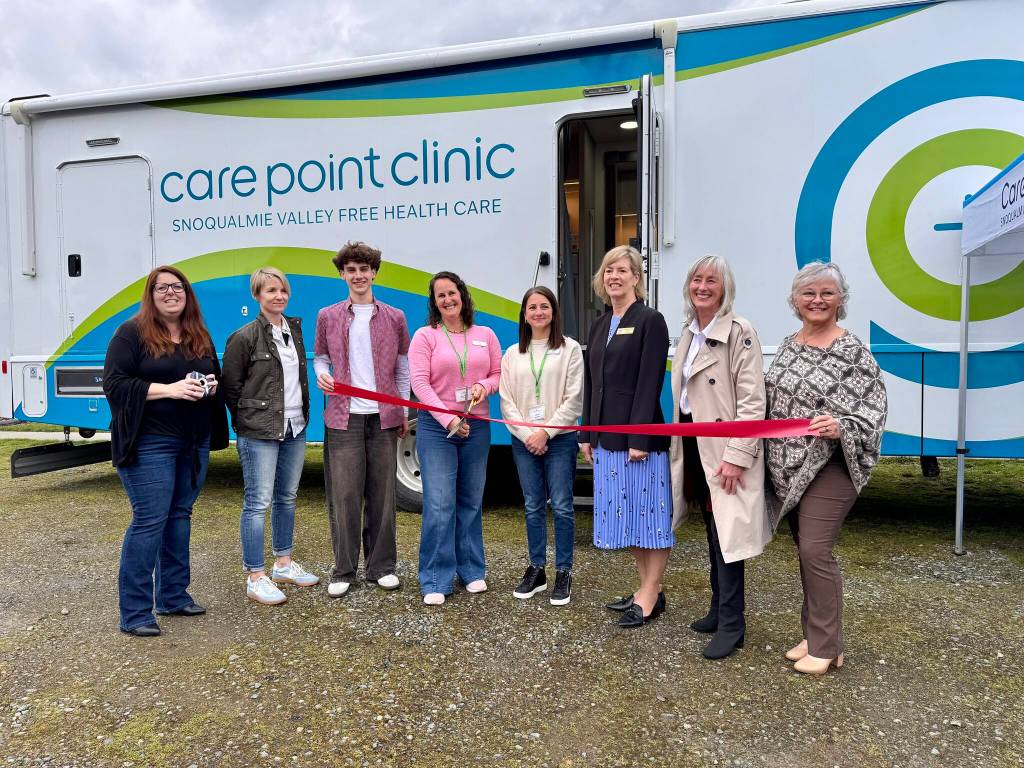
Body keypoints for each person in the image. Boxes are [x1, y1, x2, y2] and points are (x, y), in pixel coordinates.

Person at [765, 261, 887, 675]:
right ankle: (816, 634)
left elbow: (873, 410)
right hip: (789, 467)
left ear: (840, 300)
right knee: (805, 550)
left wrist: (841, 426)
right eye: (809, 293)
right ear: (795, 300)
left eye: (827, 293)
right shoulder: (789, 344)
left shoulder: (852, 350)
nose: (817, 300)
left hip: (832, 464)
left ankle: (827, 646)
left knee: (815, 550)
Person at [103, 266, 228, 637]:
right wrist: (169, 389)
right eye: (162, 288)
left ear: (187, 294)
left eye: (178, 287)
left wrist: (210, 385)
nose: (171, 293)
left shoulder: (197, 334)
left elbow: (212, 375)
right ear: (151, 293)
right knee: (150, 520)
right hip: (150, 441)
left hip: (193, 441)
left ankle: (173, 596)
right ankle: (135, 612)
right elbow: (115, 384)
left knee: (179, 516)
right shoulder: (131, 333)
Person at [668, 255, 771, 659]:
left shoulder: (740, 331)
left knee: (728, 535)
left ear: (725, 288)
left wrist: (738, 455)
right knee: (712, 529)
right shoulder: (688, 332)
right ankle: (717, 608)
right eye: (697, 279)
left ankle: (732, 624)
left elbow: (752, 401)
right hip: (694, 444)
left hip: (724, 448)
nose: (703, 287)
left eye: (712, 280)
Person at [580, 245, 673, 628]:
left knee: (650, 517)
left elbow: (650, 382)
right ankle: (647, 587)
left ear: (636, 277)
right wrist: (586, 432)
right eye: (608, 270)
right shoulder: (600, 324)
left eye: (621, 270)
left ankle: (650, 593)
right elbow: (592, 382)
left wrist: (639, 437)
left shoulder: (651, 320)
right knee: (628, 518)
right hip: (606, 439)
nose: (614, 276)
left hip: (639, 442)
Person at [313, 242, 411, 597]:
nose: (358, 276)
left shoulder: (395, 317)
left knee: (382, 495)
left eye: (364, 269)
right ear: (342, 274)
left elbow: (403, 366)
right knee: (345, 495)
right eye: (351, 270)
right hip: (344, 417)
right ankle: (343, 570)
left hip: (383, 417)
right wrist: (322, 374)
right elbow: (320, 357)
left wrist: (402, 409)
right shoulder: (327, 316)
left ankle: (381, 567)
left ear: (374, 273)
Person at [222, 267, 318, 606]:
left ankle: (283, 564)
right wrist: (247, 422)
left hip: (294, 426)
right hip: (259, 430)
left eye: (282, 290)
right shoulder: (244, 336)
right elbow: (231, 387)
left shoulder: (294, 329)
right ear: (257, 295)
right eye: (270, 291)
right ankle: (255, 576)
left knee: (287, 497)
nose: (278, 296)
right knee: (257, 502)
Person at [409, 271, 501, 606]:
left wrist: (484, 386)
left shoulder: (485, 334)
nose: (448, 300)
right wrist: (448, 419)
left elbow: (497, 374)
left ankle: (472, 570)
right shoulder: (425, 336)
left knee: (471, 501)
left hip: (476, 425)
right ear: (434, 303)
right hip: (438, 429)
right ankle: (435, 578)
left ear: (462, 295)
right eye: (441, 296)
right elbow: (420, 384)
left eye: (452, 293)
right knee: (439, 503)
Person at [499, 286, 584, 606]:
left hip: (560, 440)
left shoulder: (569, 349)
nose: (538, 312)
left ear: (554, 312)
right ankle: (537, 569)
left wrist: (545, 433)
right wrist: (528, 436)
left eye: (544, 306)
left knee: (561, 505)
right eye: (532, 307)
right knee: (533, 505)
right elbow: (506, 402)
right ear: (524, 314)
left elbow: (574, 399)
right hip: (524, 442)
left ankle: (564, 571)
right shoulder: (512, 353)